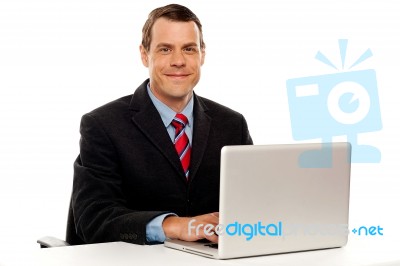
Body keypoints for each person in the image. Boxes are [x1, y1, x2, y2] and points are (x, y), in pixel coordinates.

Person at [69, 3, 253, 245]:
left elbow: (254, 205)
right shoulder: (102, 125)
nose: (178, 61)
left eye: (189, 49)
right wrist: (174, 225)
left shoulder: (232, 124)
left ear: (202, 55)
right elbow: (93, 220)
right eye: (165, 49)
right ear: (145, 55)